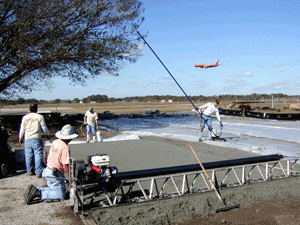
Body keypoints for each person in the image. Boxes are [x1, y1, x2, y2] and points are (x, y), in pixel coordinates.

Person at [24, 124, 78, 205]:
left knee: (54, 188)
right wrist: (70, 175)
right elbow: (64, 164)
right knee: (61, 194)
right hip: (55, 173)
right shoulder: (65, 147)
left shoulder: (55, 142)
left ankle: (35, 189)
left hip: (48, 170)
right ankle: (39, 193)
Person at [19, 103, 50, 178]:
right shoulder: (40, 117)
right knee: (38, 154)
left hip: (27, 138)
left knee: (28, 155)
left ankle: (29, 171)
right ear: (36, 109)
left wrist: (20, 137)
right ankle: (39, 172)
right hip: (36, 138)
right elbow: (44, 127)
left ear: (29, 109)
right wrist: (47, 134)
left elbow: (22, 128)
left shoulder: (25, 117)